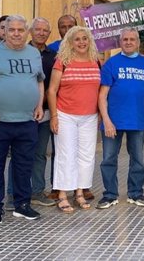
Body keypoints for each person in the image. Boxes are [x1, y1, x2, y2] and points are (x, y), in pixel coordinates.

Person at [0, 15, 45, 225]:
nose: (16, 33)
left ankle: (22, 204)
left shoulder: (33, 53)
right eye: (11, 29)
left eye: (21, 30)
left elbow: (39, 81)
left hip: (27, 120)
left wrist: (39, 105)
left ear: (26, 32)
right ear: (4, 30)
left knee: (24, 165)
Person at [97, 27, 144, 209]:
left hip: (137, 119)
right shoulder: (111, 63)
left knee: (138, 159)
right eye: (125, 39)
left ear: (138, 42)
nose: (129, 42)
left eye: (132, 39)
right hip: (113, 121)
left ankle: (136, 193)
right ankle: (110, 194)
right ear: (120, 42)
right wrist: (106, 119)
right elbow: (102, 95)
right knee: (108, 159)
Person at [46, 26, 101, 213]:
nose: (81, 42)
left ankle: (79, 192)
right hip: (65, 114)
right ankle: (62, 194)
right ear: (70, 42)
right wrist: (53, 116)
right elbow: (52, 90)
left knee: (86, 155)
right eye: (77, 39)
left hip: (90, 116)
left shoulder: (95, 61)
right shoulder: (62, 61)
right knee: (65, 154)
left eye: (85, 38)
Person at [27, 17, 57, 207]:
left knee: (39, 154)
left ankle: (37, 191)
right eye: (37, 29)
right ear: (30, 31)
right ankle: (15, 194)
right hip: (22, 112)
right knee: (19, 154)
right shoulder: (22, 52)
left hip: (45, 112)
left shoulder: (53, 56)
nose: (41, 33)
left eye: (45, 30)